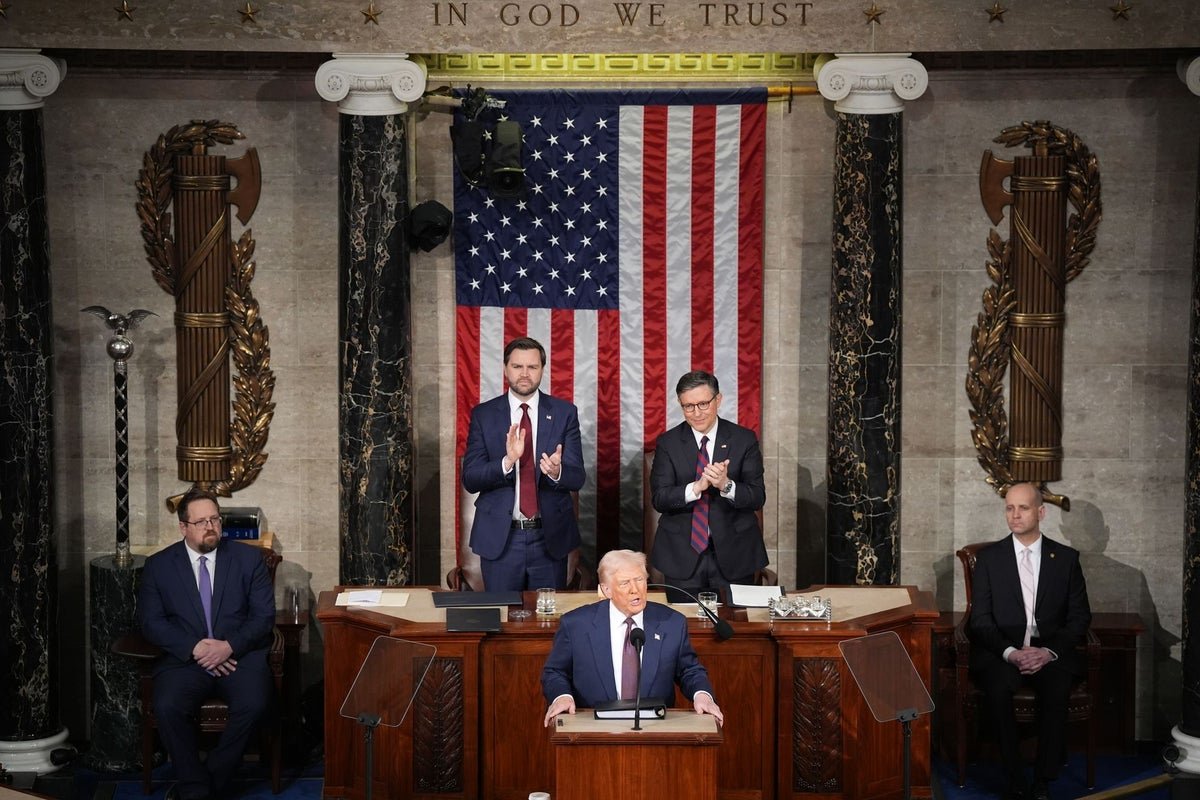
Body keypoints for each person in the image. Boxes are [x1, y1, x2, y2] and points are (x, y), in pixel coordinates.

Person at [138, 487, 276, 800]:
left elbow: (263, 616)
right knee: (167, 705)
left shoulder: (248, 559)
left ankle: (207, 781)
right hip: (186, 660)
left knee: (255, 703)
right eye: (201, 522)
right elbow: (151, 622)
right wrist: (197, 648)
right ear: (183, 527)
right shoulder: (159, 566)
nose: (210, 526)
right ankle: (195, 787)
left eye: (214, 519)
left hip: (238, 657)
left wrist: (228, 646)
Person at [967, 482, 1092, 800]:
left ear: (1041, 512)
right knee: (997, 690)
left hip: (1049, 651)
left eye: (1023, 508)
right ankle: (1014, 778)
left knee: (1056, 689)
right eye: (1009, 507)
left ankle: (1042, 781)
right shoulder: (989, 559)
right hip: (1001, 652)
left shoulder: (1065, 559)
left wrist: (1048, 652)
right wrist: (1010, 653)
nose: (1015, 514)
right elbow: (980, 621)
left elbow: (1079, 618)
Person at [541, 549, 723, 727]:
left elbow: (689, 671)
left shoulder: (672, 623)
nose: (635, 590)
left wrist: (703, 695)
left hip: (655, 729)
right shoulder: (576, 625)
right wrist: (562, 696)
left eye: (639, 580)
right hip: (592, 728)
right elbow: (554, 672)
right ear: (606, 590)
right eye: (625, 583)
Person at [461, 336, 586, 591]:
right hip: (501, 539)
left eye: (533, 367)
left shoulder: (564, 413)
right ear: (506, 368)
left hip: (549, 538)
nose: (525, 374)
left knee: (548, 623)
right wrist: (507, 461)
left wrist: (556, 471)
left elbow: (577, 478)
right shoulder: (484, 415)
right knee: (502, 620)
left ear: (542, 369)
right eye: (518, 366)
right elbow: (471, 478)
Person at [649, 370, 767, 604]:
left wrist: (726, 485)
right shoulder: (668, 443)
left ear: (718, 400)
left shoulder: (743, 439)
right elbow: (660, 498)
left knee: (737, 630)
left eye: (703, 404)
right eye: (688, 406)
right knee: (683, 629)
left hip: (735, 553)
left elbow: (757, 497)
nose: (697, 413)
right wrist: (696, 487)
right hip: (682, 555)